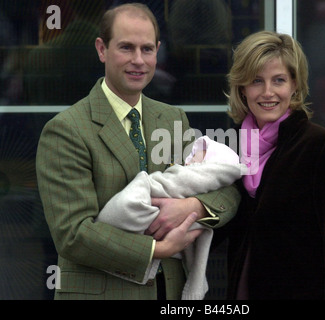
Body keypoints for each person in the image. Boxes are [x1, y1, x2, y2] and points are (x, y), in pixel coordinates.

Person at [36, 3, 240, 300]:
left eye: (147, 49)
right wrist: (160, 249)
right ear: (101, 49)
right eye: (126, 48)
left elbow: (226, 187)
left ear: (158, 50)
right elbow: (73, 235)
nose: (138, 60)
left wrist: (194, 207)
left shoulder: (172, 119)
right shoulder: (66, 130)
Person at [218, 30, 325, 299]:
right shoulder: (232, 150)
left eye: (279, 80)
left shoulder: (324, 147)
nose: (267, 92)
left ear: (294, 85)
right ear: (242, 87)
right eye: (256, 81)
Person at [96, 136, 246, 299]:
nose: (188, 161)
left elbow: (231, 193)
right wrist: (161, 248)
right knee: (130, 201)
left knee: (129, 204)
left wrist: (194, 206)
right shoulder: (73, 126)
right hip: (109, 281)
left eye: (196, 158)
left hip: (168, 286)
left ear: (209, 164)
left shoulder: (176, 122)